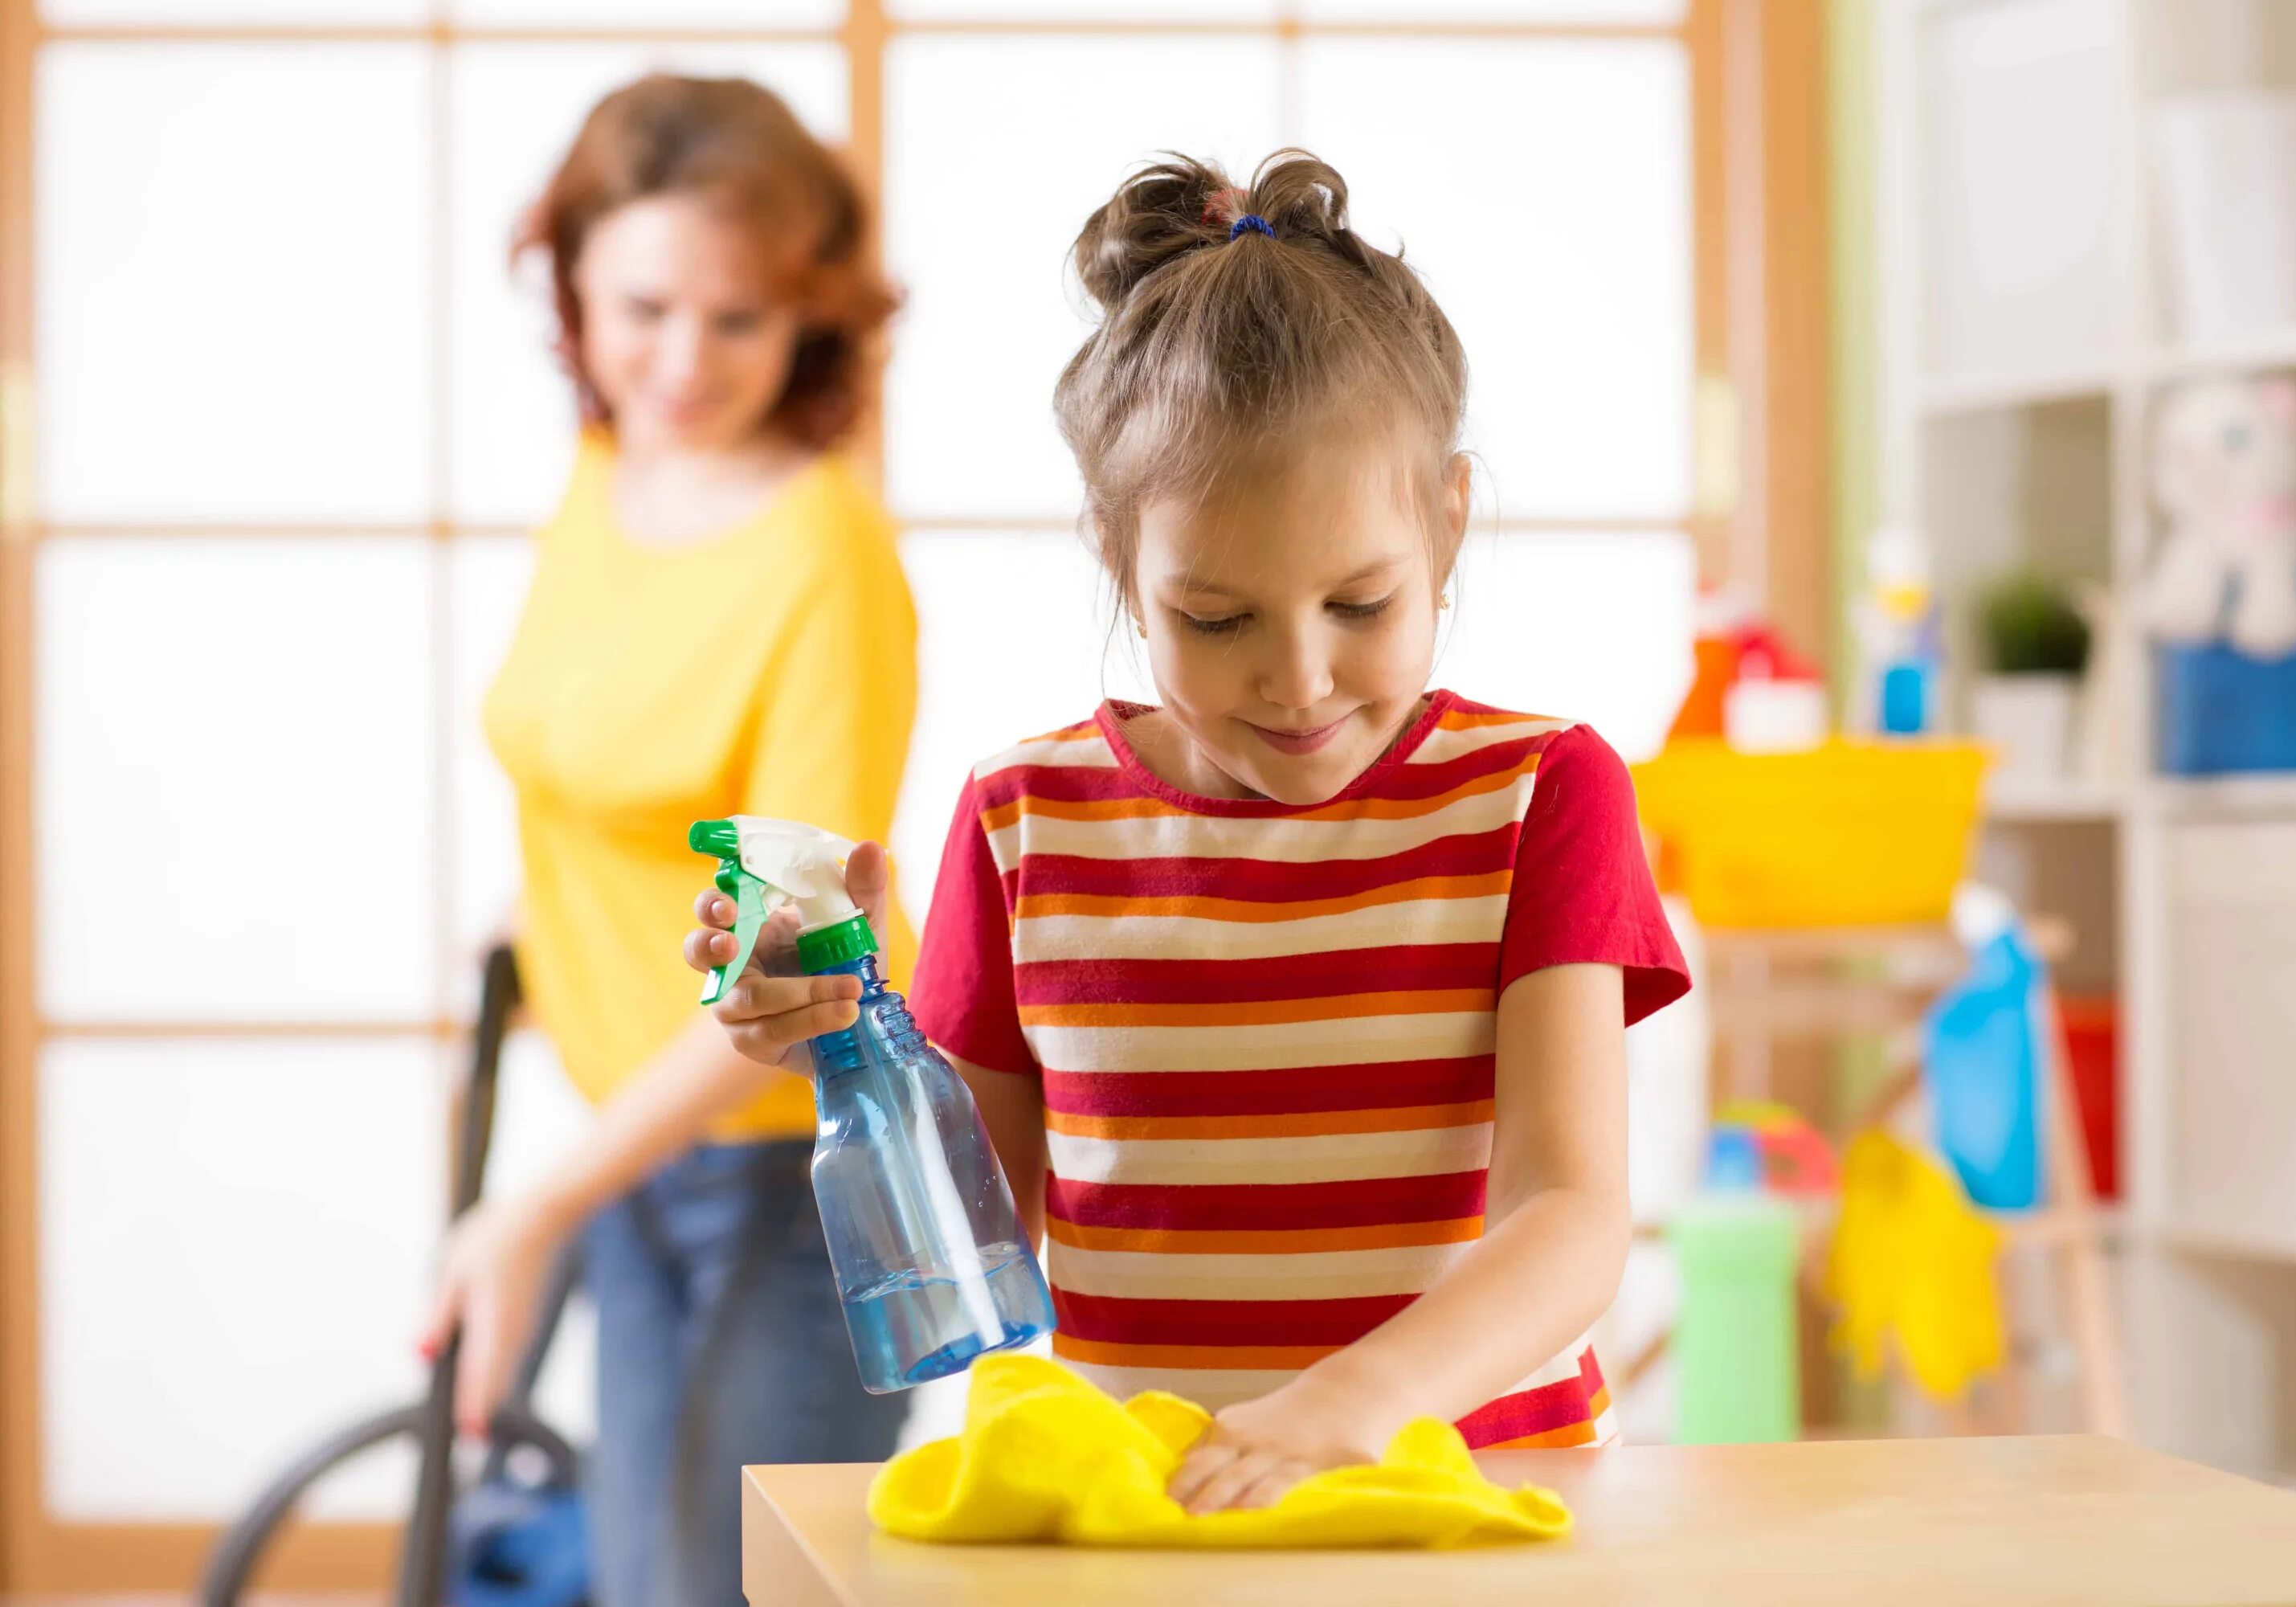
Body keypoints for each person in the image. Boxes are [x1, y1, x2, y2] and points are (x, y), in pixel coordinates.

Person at [685, 149, 1689, 1515]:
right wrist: (844, 1036)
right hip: (1150, 1511)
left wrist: (1348, 1407)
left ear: (1448, 526)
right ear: (1119, 559)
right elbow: (974, 1243)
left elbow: (1569, 1219)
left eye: (1362, 604)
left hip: (1476, 1498)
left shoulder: (1538, 794)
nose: (1298, 679)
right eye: (1217, 620)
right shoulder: (1022, 824)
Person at [421, 74, 914, 1607]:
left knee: (717, 1587)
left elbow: (787, 978)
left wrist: (537, 1207)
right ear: (568, 277)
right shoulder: (608, 471)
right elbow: (594, 759)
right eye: (644, 308)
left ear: (813, 321)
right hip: (629, 1141)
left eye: (742, 321)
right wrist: (541, 916)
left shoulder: (828, 562)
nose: (684, 363)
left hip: (790, 1175)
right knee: (641, 1577)